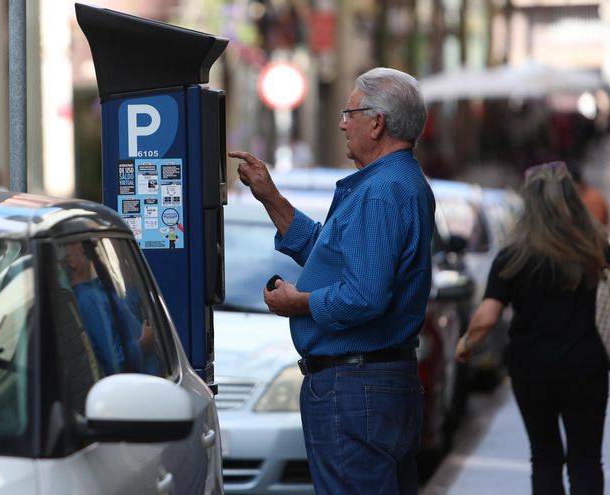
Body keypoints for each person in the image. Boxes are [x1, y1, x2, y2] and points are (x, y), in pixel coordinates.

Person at [229, 67, 433, 494]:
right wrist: (270, 196)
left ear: (377, 122)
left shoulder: (382, 190)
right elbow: (336, 257)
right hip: (374, 386)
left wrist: (296, 302)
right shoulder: (392, 183)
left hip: (355, 389)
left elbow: (363, 296)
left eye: (350, 111)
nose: (342, 122)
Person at [455, 161, 609, 495]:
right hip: (587, 365)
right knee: (586, 459)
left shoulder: (513, 256)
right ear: (572, 200)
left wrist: (466, 343)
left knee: (545, 458)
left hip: (533, 369)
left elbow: (488, 316)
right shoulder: (595, 249)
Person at [59, 241, 154, 375]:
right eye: (75, 242)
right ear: (70, 262)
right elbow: (114, 361)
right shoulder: (88, 301)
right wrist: (143, 345)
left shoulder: (96, 287)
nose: (83, 243)